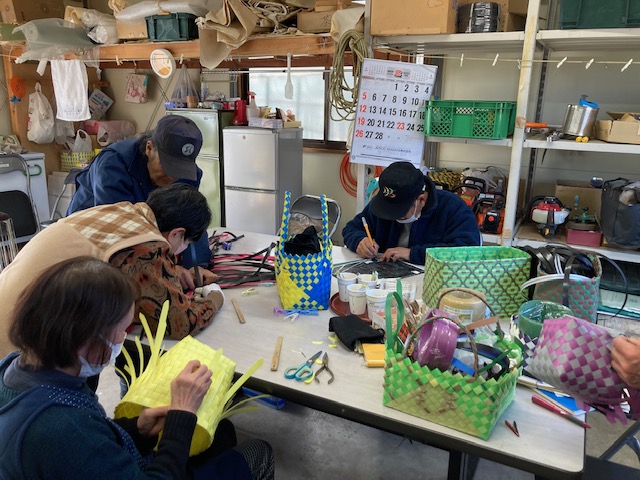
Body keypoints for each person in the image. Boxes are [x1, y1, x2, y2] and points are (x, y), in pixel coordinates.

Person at [0, 257, 274, 479]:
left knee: (222, 434)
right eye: (121, 330)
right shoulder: (62, 430)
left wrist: (135, 430)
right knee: (258, 452)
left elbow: (92, 443)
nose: (124, 338)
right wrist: (181, 413)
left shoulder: (15, 369)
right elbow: (83, 443)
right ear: (84, 341)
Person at [0, 183, 221, 359]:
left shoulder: (123, 212)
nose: (183, 250)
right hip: (20, 348)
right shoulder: (146, 246)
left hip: (13, 310)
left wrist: (168, 273)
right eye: (186, 243)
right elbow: (180, 322)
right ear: (177, 234)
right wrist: (214, 296)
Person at [67, 114, 211, 267]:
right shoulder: (113, 164)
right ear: (149, 148)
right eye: (168, 166)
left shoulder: (189, 176)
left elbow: (190, 222)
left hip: (138, 237)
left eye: (180, 169)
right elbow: (119, 230)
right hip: (91, 237)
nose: (172, 176)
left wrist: (197, 266)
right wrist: (166, 268)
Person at [342, 161, 481, 265]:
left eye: (400, 212)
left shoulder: (453, 208)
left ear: (421, 200)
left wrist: (413, 254)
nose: (392, 216)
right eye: (389, 211)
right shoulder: (383, 204)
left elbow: (467, 251)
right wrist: (359, 241)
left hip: (431, 281)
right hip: (386, 278)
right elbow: (351, 228)